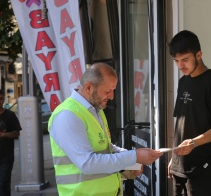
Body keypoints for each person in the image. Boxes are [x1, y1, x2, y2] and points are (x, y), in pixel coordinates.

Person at [48, 63, 163, 196]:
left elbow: (107, 148)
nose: (112, 96)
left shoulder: (95, 109)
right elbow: (87, 163)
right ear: (89, 87)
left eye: (113, 90)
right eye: (107, 91)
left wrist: (131, 163)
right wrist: (134, 156)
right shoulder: (68, 115)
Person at [167, 30, 211, 196]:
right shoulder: (183, 82)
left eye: (185, 60)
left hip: (205, 168)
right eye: (177, 61)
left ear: (199, 54)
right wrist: (174, 159)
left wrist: (194, 143)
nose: (181, 66)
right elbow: (180, 124)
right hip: (180, 168)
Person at [0, 89, 22, 196]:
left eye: (0, 99)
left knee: (3, 183)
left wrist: (3, 135)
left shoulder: (10, 115)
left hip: (6, 158)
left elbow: (17, 133)